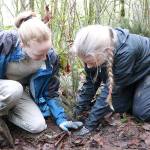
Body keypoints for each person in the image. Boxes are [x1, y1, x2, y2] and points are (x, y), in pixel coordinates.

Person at [0, 11, 82, 148]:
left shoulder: (51, 58)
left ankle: (5, 115)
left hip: (14, 95)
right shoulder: (4, 42)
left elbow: (50, 92)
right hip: (10, 90)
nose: (45, 57)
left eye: (47, 51)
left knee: (37, 125)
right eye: (39, 54)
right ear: (23, 45)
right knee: (14, 89)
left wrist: (61, 119)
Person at [70, 24, 150, 136]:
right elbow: (91, 82)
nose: (88, 67)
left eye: (91, 63)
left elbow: (109, 91)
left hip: (146, 72)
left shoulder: (126, 51)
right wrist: (77, 110)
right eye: (86, 62)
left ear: (106, 52)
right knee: (119, 107)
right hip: (131, 73)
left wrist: (89, 126)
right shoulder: (92, 50)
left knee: (142, 112)